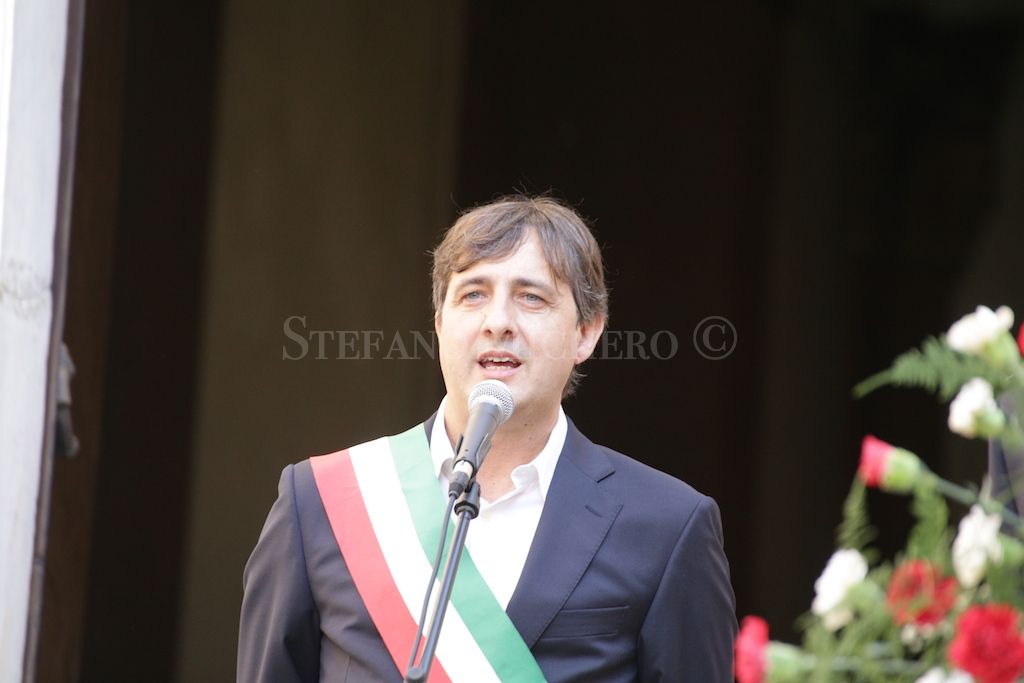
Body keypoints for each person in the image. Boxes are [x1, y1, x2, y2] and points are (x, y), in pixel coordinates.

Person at [237, 196, 737, 682]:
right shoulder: (323, 499)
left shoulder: (667, 525)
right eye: (473, 294)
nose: (498, 322)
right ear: (439, 323)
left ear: (586, 333)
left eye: (531, 297)